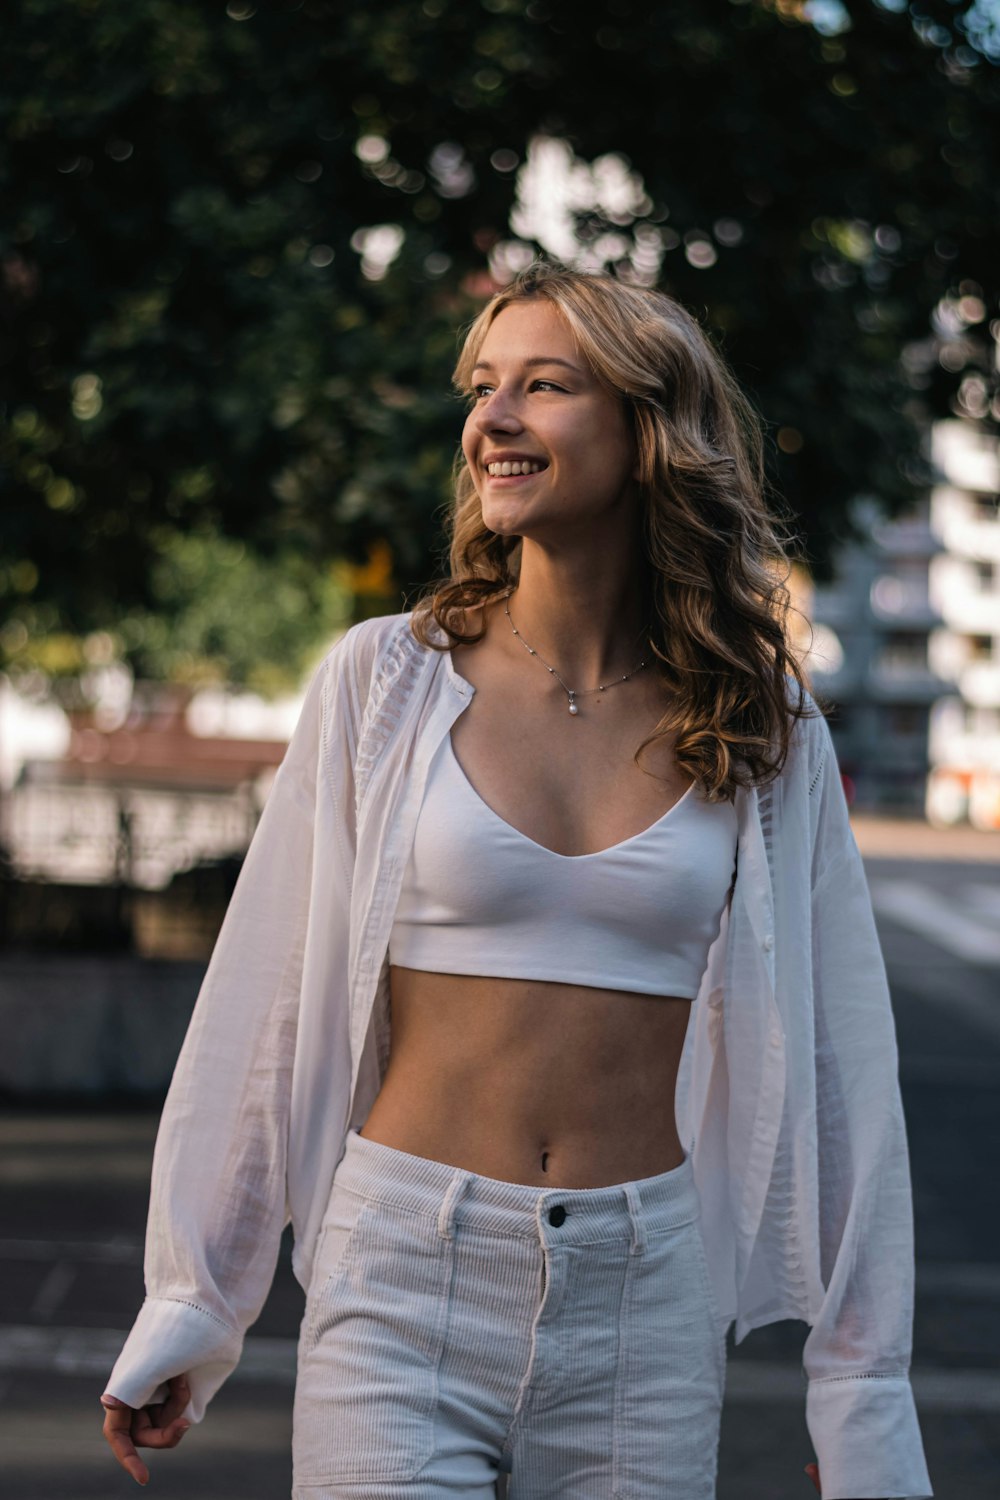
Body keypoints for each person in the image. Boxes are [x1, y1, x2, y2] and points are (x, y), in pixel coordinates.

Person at [101, 262, 933, 1499]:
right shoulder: (383, 682)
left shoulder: (760, 720)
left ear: (649, 433)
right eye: (482, 388)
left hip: (645, 1305)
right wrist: (194, 1300)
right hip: (401, 1279)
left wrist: (860, 1395)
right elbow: (264, 1002)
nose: (492, 417)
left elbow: (839, 1060)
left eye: (544, 386)